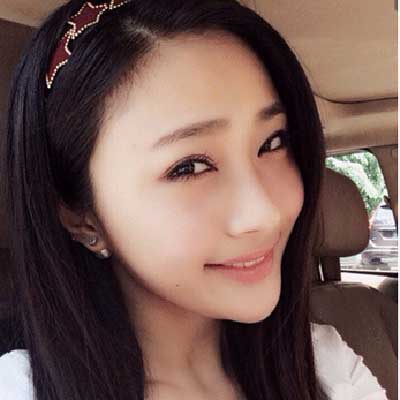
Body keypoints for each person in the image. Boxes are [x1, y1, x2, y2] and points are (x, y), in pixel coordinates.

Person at [0, 0, 388, 399]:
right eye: (189, 167)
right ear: (80, 217)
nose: (264, 213)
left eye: (273, 142)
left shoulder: (327, 366)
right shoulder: (20, 390)